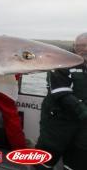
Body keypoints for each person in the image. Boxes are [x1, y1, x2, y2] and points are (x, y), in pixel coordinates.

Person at [35, 32, 87, 170]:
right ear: (74, 46)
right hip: (57, 121)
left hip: (82, 127)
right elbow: (60, 92)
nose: (84, 50)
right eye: (81, 46)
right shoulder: (61, 61)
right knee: (46, 157)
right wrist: (82, 110)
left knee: (77, 160)